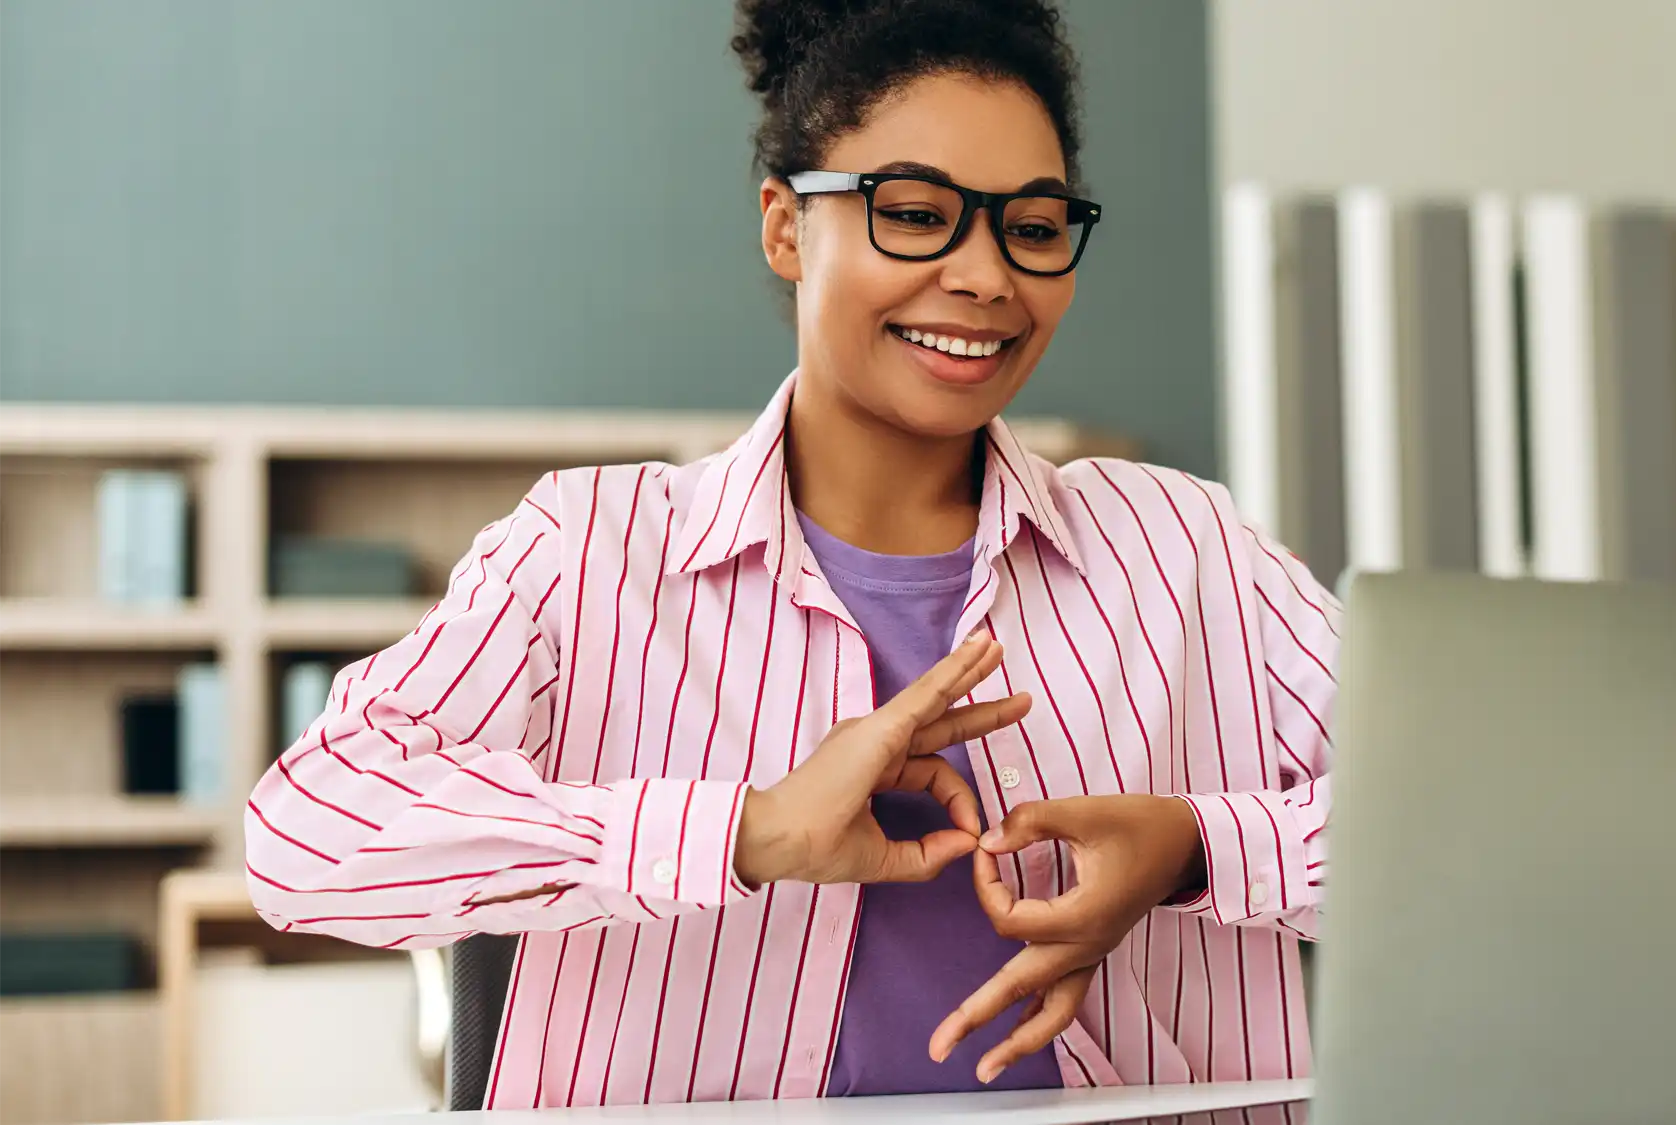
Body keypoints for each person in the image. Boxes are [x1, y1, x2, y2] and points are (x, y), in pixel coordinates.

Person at [244, 0, 1337, 1110]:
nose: (984, 274)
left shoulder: (1187, 551)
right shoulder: (589, 553)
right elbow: (307, 831)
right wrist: (743, 830)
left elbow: (1479, 828)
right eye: (914, 214)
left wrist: (1199, 847)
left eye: (1036, 226)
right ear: (784, 225)